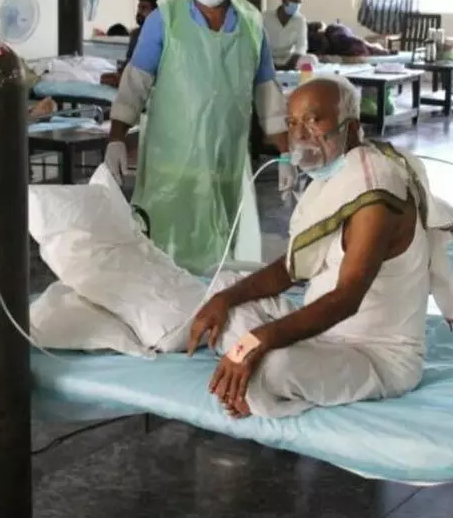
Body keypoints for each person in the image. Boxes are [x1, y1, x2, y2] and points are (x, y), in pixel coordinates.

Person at [187, 75, 453, 419]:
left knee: (274, 367)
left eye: (314, 120)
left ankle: (269, 393)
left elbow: (346, 299)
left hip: (373, 354)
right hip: (318, 335)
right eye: (292, 122)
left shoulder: (376, 194)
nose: (299, 135)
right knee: (222, 291)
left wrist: (254, 342)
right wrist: (224, 301)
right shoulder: (337, 179)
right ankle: (259, 372)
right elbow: (288, 269)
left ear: (352, 127)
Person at [103, 0, 297, 275]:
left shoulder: (251, 25)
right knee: (165, 251)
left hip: (225, 162)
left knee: (220, 248)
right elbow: (135, 83)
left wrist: (283, 155)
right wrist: (117, 136)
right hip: (172, 162)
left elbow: (267, 92)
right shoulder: (167, 19)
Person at [263, 0, 308, 69]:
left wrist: (292, 62)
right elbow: (256, 40)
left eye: (299, 2)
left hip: (289, 59)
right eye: (293, 1)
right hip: (267, 58)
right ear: (283, 1)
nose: (296, 5)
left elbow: (301, 45)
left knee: (312, 60)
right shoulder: (265, 17)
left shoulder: (300, 20)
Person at [125, 0, 160, 64]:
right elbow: (129, 60)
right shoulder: (135, 34)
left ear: (155, 12)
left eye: (144, 8)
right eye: (139, 7)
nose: (139, 12)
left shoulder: (162, 35)